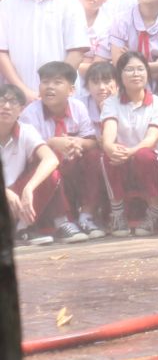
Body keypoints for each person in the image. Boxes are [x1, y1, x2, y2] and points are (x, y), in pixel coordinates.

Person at [20, 61, 103, 241]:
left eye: (57, 82)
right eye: (45, 82)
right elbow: (27, 154)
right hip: (45, 169)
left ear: (71, 90)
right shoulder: (30, 114)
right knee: (49, 163)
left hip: (73, 164)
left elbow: (92, 141)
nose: (49, 87)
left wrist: (77, 142)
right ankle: (62, 221)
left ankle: (86, 216)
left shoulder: (78, 107)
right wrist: (52, 142)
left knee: (94, 156)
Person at [0, 0, 89, 101]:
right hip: (16, 96)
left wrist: (53, 88)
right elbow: (2, 52)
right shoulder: (7, 4)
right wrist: (24, 92)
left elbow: (77, 52)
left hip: (60, 97)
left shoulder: (70, 3)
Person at [99, 51, 158, 237]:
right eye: (129, 69)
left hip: (149, 159)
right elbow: (109, 132)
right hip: (123, 159)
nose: (136, 74)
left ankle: (157, 211)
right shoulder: (111, 103)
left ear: (147, 72)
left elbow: (151, 139)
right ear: (120, 75)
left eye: (140, 69)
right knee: (109, 154)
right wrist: (109, 146)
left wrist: (130, 152)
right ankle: (117, 214)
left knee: (143, 154)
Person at [0, 83, 66, 246]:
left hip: (15, 198)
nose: (6, 106)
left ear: (21, 110)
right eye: (1, 100)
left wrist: (29, 188)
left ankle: (22, 229)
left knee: (51, 175)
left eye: (13, 102)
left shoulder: (26, 130)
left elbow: (51, 159)